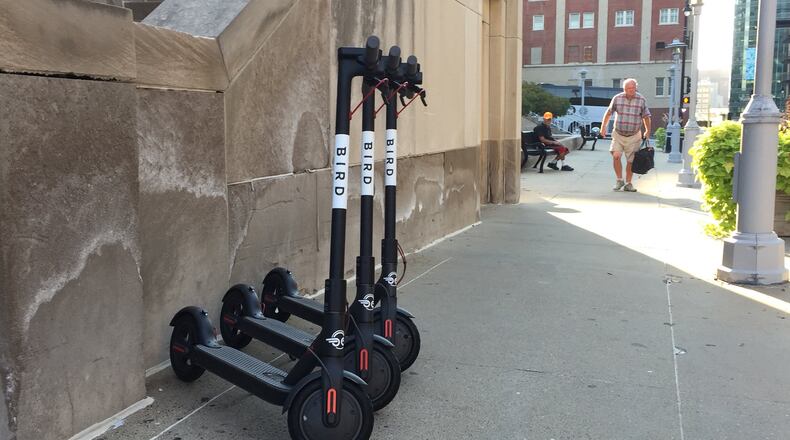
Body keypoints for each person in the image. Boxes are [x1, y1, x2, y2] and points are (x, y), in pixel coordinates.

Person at [600, 78, 651, 192]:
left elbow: (646, 116)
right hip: (618, 133)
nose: (631, 90)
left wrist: (648, 130)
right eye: (628, 88)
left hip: (634, 135)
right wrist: (603, 127)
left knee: (631, 161)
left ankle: (628, 183)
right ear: (624, 89)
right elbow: (608, 113)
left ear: (636, 88)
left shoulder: (641, 99)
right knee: (616, 155)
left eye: (633, 88)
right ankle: (619, 180)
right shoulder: (617, 98)